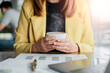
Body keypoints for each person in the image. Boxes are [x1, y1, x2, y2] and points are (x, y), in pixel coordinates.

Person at [14, 0, 94, 55]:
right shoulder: (28, 4)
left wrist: (76, 47)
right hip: (38, 64)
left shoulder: (81, 4)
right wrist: (35, 47)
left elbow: (90, 46)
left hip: (71, 66)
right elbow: (18, 47)